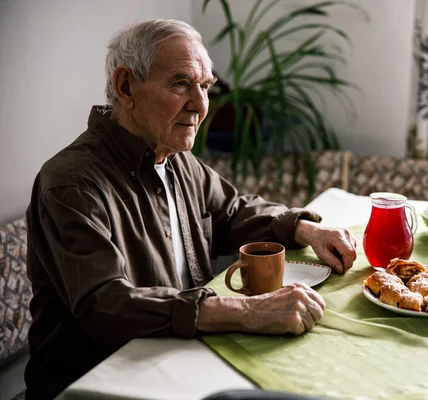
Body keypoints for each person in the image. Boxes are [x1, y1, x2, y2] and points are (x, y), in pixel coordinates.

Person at [25, 19, 357, 400]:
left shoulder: (175, 156)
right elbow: (106, 305)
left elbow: (231, 211)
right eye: (181, 83)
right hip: (103, 385)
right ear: (126, 86)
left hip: (180, 358)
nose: (200, 106)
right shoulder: (73, 183)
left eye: (205, 86)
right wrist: (248, 312)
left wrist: (304, 229)